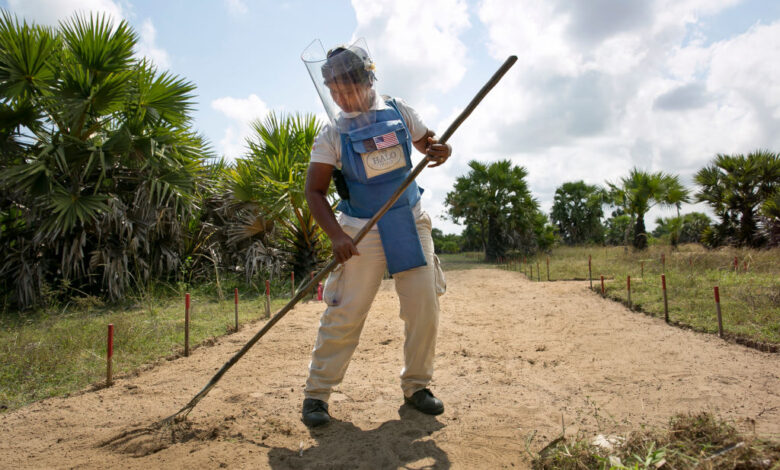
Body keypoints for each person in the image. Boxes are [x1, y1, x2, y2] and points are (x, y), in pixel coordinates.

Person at [301, 40, 452, 427]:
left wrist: (438, 150)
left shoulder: (399, 111)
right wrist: (337, 236)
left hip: (408, 221)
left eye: (348, 89)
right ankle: (317, 395)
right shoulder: (331, 134)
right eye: (334, 92)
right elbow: (314, 192)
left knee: (423, 305)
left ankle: (417, 386)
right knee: (346, 312)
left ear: (368, 80)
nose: (342, 98)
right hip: (361, 229)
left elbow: (427, 143)